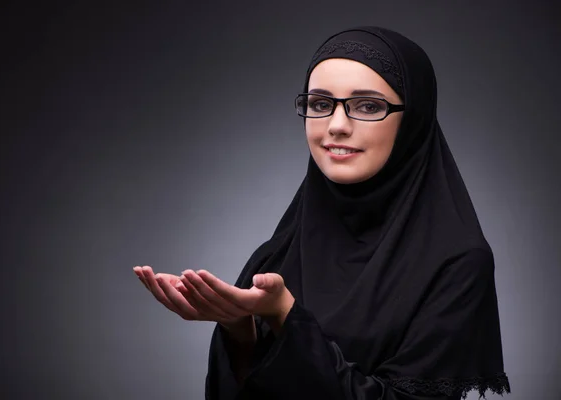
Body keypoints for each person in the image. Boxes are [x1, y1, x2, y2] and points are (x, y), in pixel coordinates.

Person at [133, 26, 511, 399]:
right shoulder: (282, 249)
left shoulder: (458, 263)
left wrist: (285, 315)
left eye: (367, 106)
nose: (336, 125)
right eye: (320, 104)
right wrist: (238, 328)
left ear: (413, 119)